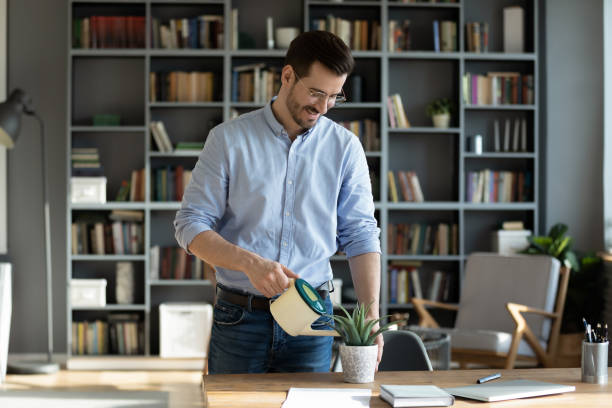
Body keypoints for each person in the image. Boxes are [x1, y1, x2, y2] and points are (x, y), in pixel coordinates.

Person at [174, 30, 381, 374]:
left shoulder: (345, 148)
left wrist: (371, 315)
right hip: (240, 317)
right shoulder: (228, 140)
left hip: (311, 320)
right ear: (287, 76)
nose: (323, 106)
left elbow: (360, 233)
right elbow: (190, 225)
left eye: (334, 96)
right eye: (316, 92)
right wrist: (250, 264)